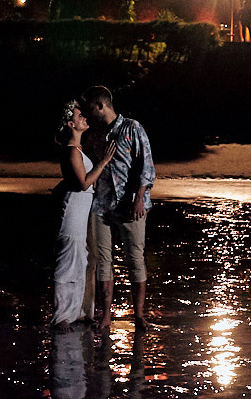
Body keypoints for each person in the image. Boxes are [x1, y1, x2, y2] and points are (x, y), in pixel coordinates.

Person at [80, 85, 156, 329]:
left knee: (135, 258)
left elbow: (146, 165)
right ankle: (105, 315)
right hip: (101, 205)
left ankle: (139, 315)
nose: (87, 113)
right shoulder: (94, 135)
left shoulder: (132, 128)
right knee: (103, 260)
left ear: (101, 106)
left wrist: (139, 198)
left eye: (90, 108)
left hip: (129, 204)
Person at [51, 99, 117, 332]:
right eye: (80, 117)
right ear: (71, 123)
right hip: (73, 212)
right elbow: (82, 183)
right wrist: (103, 163)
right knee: (68, 259)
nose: (84, 119)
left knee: (80, 259)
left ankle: (76, 311)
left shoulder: (77, 150)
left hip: (80, 209)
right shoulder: (71, 151)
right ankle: (61, 316)